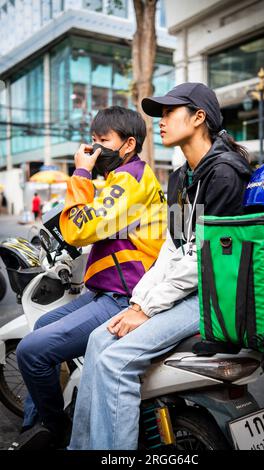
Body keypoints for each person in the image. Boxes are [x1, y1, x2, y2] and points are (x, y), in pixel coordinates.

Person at [68, 82, 253, 450]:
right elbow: (174, 246)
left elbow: (204, 256)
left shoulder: (225, 173)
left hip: (217, 294)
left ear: (199, 118)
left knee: (116, 361)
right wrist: (140, 302)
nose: (161, 122)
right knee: (97, 339)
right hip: (191, 287)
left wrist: (148, 308)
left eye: (169, 112)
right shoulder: (183, 176)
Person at [12, 106, 167, 450]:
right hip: (104, 290)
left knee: (30, 352)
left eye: (102, 141)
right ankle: (40, 421)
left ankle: (55, 432)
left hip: (122, 296)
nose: (94, 149)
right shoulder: (123, 177)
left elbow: (81, 228)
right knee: (42, 325)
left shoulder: (130, 178)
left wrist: (81, 172)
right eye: (92, 141)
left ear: (128, 144)